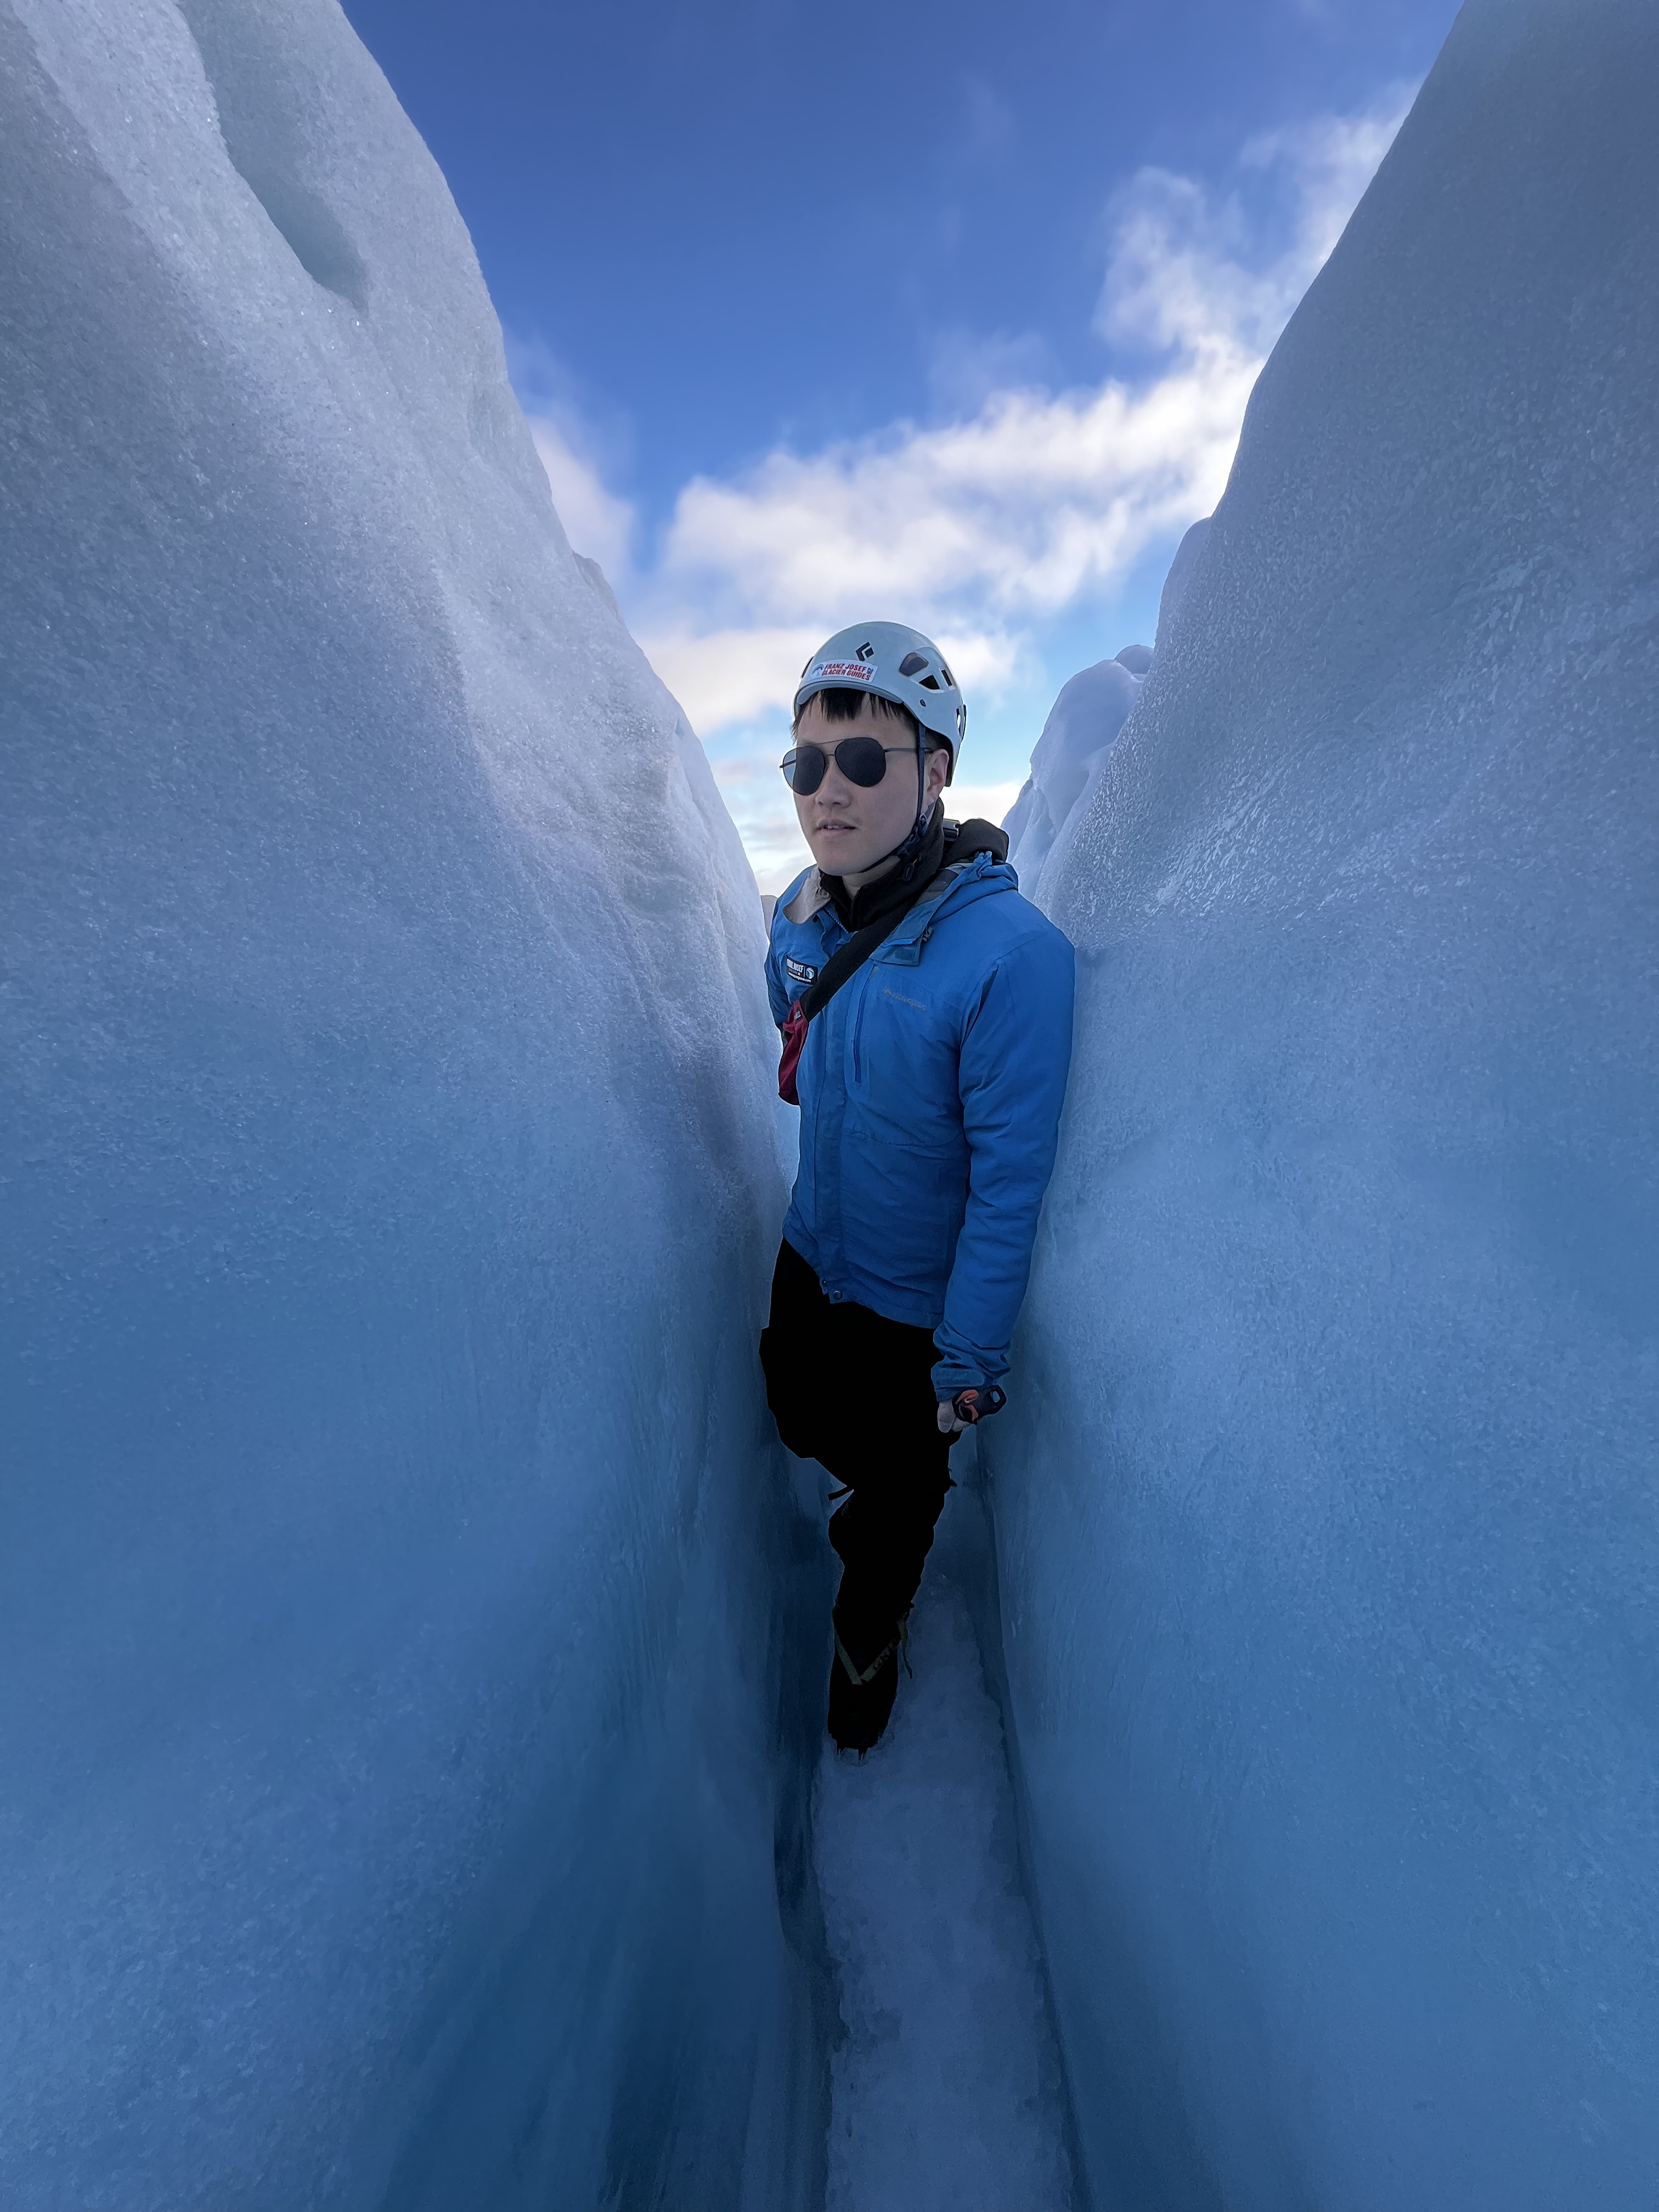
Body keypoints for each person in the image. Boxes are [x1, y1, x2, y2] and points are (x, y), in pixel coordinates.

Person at [759, 621, 1075, 1753]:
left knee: (896, 1501)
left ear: (935, 767)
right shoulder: (802, 921)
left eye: (861, 759)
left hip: (914, 1314)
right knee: (795, 1406)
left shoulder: (1010, 959)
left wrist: (969, 1362)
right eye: (805, 762)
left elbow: (1009, 1185)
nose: (824, 791)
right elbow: (795, 1033)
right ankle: (863, 1494)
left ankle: (870, 1623)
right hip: (816, 1253)